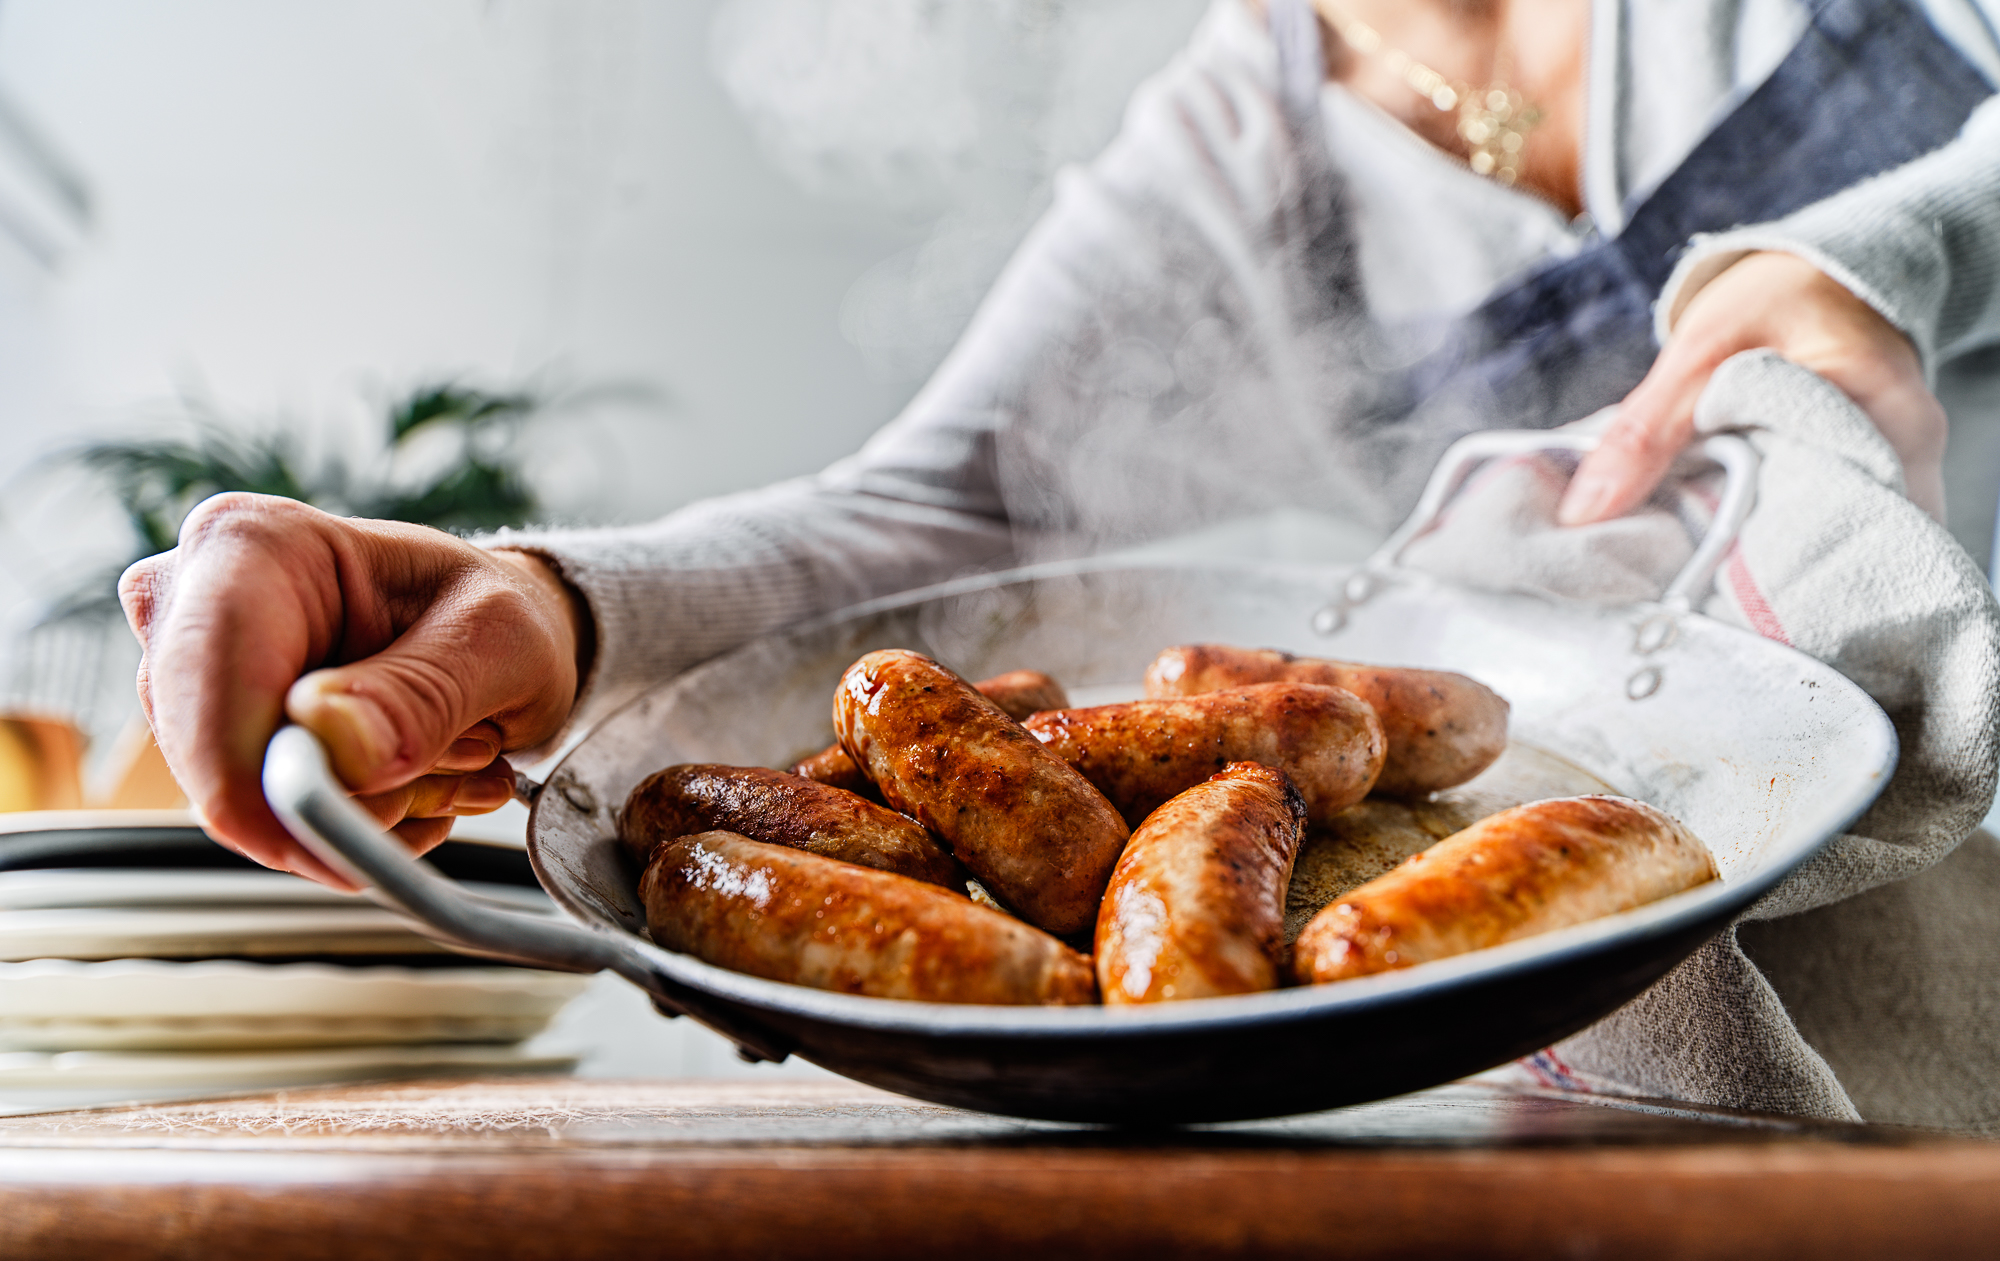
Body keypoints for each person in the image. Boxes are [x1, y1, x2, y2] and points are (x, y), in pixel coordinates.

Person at [121, 0, 2000, 890]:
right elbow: (950, 508)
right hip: (1642, 1028)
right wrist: (550, 602)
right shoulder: (1232, 139)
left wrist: (1887, 253)